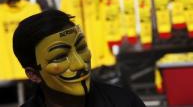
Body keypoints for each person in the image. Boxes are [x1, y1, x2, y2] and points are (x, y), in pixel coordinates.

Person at [13, 10, 146, 107]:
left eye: (81, 48)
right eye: (60, 56)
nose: (80, 64)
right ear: (33, 74)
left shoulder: (124, 102)